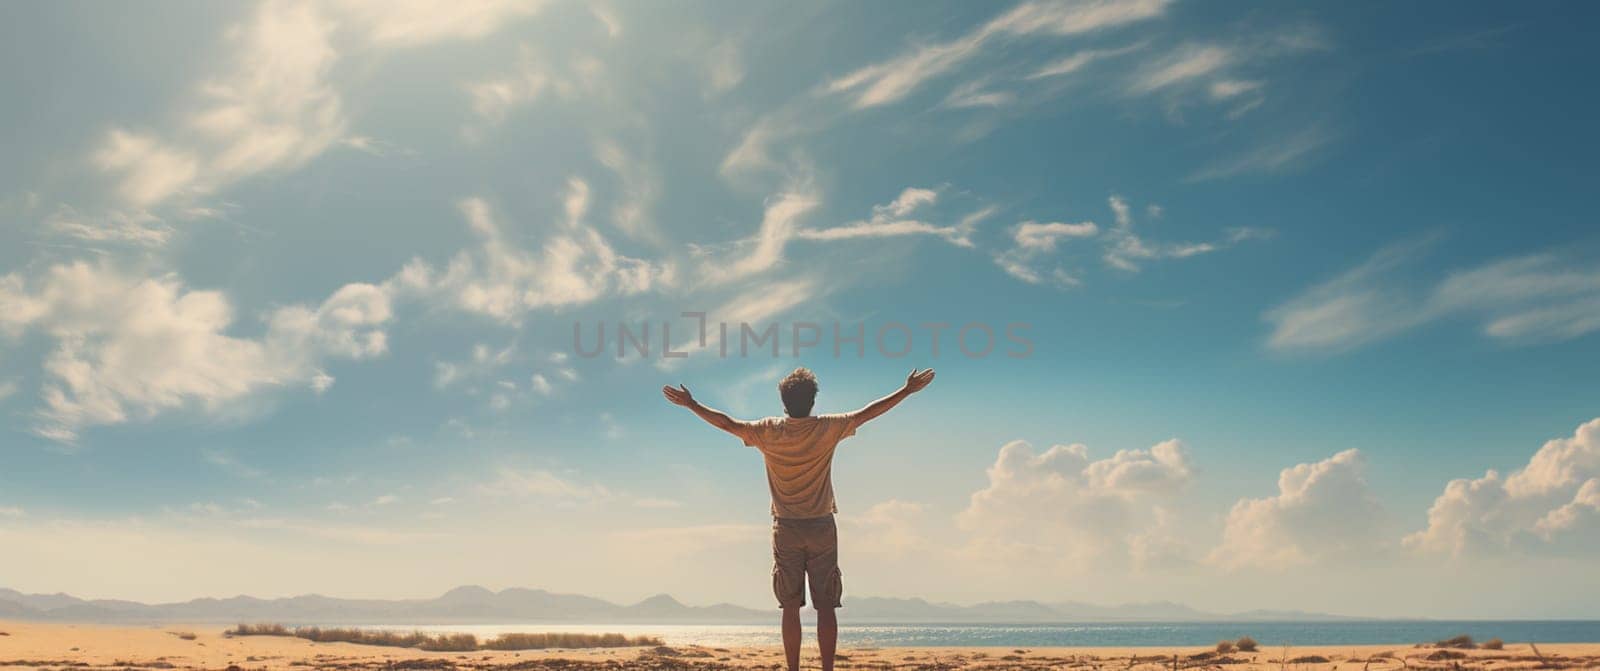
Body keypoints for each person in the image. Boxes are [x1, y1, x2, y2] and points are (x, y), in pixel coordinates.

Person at [661, 367, 936, 671]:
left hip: (786, 527)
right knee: (826, 606)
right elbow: (868, 413)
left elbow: (728, 424)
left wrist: (692, 404)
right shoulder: (828, 428)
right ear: (813, 400)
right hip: (821, 526)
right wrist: (906, 390)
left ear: (783, 401)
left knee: (790, 607)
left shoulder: (768, 430)